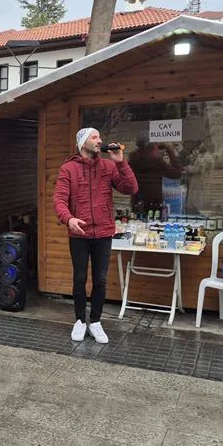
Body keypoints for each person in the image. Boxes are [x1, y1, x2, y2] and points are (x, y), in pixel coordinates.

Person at [53, 127, 139, 343]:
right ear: (82, 142)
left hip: (103, 232)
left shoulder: (109, 166)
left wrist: (121, 161)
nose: (99, 140)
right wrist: (69, 219)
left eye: (100, 137)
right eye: (95, 137)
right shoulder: (68, 168)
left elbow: (131, 188)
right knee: (80, 278)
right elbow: (59, 200)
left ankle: (96, 321)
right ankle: (80, 321)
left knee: (100, 280)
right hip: (79, 234)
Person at [128, 138, 183, 210]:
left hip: (137, 200)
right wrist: (169, 149)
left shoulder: (132, 160)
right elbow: (177, 174)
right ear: (153, 149)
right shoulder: (156, 162)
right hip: (154, 201)